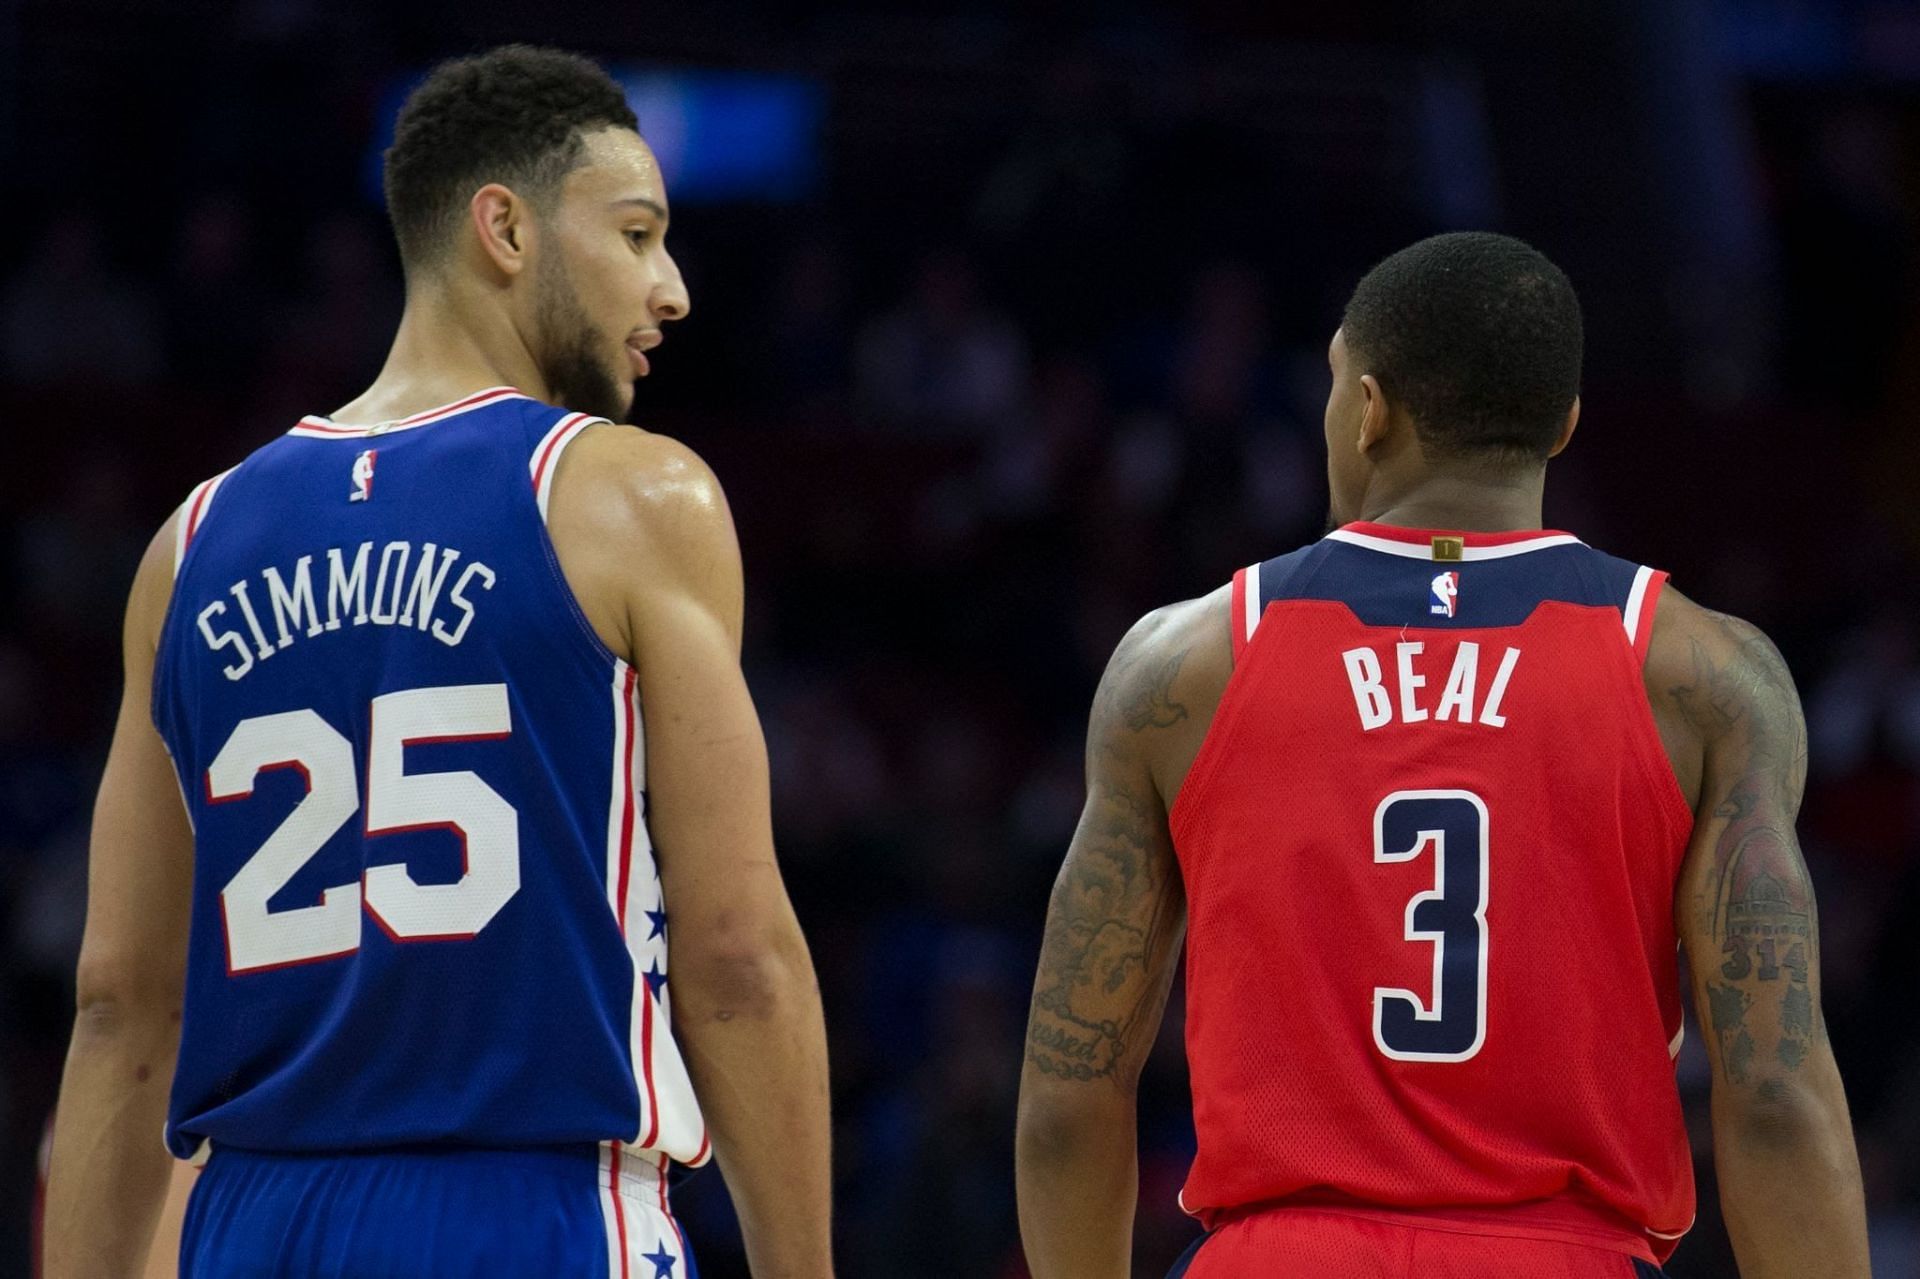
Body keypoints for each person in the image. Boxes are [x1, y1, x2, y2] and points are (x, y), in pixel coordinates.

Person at [42, 45, 833, 1279]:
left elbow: (119, 1006)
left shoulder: (187, 545)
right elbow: (737, 958)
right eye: (636, 235)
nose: (671, 289)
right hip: (532, 1209)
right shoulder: (632, 495)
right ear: (503, 228)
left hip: (254, 1223)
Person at [1015, 231, 1870, 1277]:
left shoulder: (1180, 665)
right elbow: (1775, 1094)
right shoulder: (1706, 673)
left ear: (1368, 409)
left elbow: (1069, 1094)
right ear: (1564, 424)